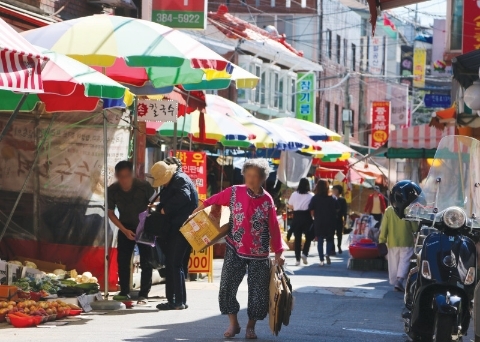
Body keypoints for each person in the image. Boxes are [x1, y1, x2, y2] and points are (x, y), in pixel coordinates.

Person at [192, 158, 285, 339]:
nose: (251, 179)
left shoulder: (267, 200)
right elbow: (211, 200)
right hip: (235, 247)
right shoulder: (234, 192)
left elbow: (274, 227)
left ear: (263, 178)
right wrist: (195, 213)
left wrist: (279, 252)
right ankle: (233, 324)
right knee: (227, 286)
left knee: (258, 293)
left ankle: (251, 326)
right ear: (244, 175)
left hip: (259, 253)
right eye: (248, 175)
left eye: (255, 176)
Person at [151, 160, 198, 311]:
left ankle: (177, 301)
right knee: (174, 264)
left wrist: (165, 209)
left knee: (174, 264)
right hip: (178, 228)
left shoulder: (179, 179)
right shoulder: (178, 179)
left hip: (180, 228)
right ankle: (177, 300)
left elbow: (184, 197)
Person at [107, 161, 155, 304]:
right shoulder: (113, 190)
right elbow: (110, 213)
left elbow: (156, 203)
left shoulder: (143, 186)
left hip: (144, 227)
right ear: (116, 176)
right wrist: (124, 230)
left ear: (132, 175)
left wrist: (149, 217)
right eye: (121, 176)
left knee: (146, 261)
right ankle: (124, 291)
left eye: (127, 176)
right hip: (125, 227)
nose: (124, 180)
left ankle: (144, 294)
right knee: (122, 260)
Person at [380, 182, 419, 292]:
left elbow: (384, 227)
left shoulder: (388, 211)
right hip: (406, 241)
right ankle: (400, 280)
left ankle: (396, 281)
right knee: (404, 261)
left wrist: (382, 240)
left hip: (392, 241)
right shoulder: (409, 209)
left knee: (394, 263)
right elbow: (415, 227)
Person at [309, 180, 338, 266]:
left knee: (320, 240)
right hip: (330, 221)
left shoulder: (315, 198)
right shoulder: (332, 198)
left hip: (319, 221)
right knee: (329, 239)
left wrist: (314, 217)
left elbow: (311, 210)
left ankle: (321, 260)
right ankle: (327, 254)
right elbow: (337, 208)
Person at [287, 178, 314, 266]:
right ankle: (305, 253)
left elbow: (290, 206)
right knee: (309, 236)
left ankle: (297, 259)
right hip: (307, 216)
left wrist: (296, 206)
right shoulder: (311, 195)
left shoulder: (294, 194)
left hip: (297, 217)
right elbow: (312, 207)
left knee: (297, 239)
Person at [332, 185, 347, 254]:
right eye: (333, 189)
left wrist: (345, 219)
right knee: (331, 233)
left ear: (339, 191)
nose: (334, 191)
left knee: (339, 234)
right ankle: (332, 248)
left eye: (335, 190)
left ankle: (339, 246)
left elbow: (344, 210)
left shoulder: (342, 200)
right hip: (332, 219)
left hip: (339, 218)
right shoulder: (331, 198)